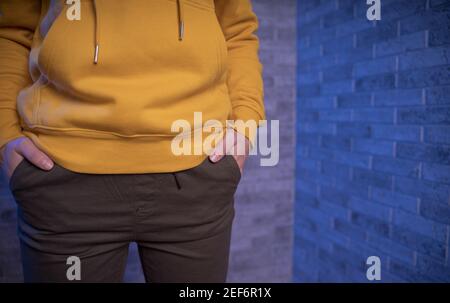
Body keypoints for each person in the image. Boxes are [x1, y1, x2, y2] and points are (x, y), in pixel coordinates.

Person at [0, 0, 265, 282]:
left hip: (199, 172)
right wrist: (5, 134)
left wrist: (245, 122)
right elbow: (14, 33)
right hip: (60, 176)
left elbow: (236, 32)